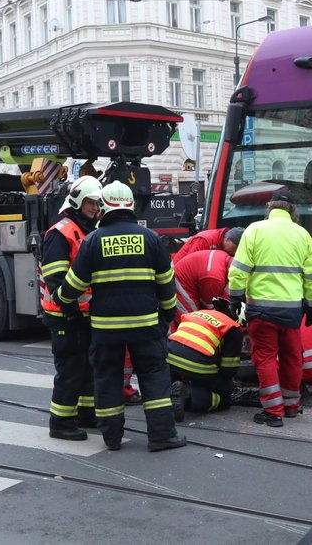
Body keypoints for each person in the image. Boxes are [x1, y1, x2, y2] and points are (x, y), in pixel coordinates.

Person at [54, 181, 186, 452]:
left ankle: (112, 438)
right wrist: (165, 318)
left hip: (105, 330)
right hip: (146, 327)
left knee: (108, 378)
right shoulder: (150, 238)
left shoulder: (92, 241)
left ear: (104, 207)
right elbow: (166, 285)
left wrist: (61, 301)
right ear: (131, 206)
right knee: (153, 376)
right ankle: (162, 436)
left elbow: (73, 286)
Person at [227, 188, 312, 427]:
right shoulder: (302, 235)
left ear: (270, 206)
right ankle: (291, 405)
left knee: (265, 358)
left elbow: (238, 270)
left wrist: (235, 298)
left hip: (261, 310)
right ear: (293, 210)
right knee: (291, 358)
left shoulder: (255, 230)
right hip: (291, 311)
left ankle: (273, 411)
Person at [38, 175, 102, 441]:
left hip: (82, 314)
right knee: (70, 370)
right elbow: (55, 278)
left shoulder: (87, 229)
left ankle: (86, 414)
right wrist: (71, 309)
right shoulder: (61, 232)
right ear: (77, 201)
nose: (95, 208)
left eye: (97, 203)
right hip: (63, 314)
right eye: (90, 202)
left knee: (87, 367)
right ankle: (61, 423)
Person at [167, 308, 242, 420]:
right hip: (197, 365)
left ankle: (169, 396)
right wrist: (225, 385)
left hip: (169, 357)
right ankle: (187, 394)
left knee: (175, 378)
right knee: (224, 398)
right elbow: (228, 369)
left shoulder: (197, 313)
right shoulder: (233, 328)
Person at [172, 248, 232, 328]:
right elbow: (210, 305)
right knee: (191, 321)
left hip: (190, 278)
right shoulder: (215, 278)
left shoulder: (225, 257)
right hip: (182, 284)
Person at [172, 226, 244, 263]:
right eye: (236, 247)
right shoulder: (205, 240)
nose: (235, 252)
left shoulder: (222, 243)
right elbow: (189, 263)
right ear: (227, 239)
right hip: (179, 275)